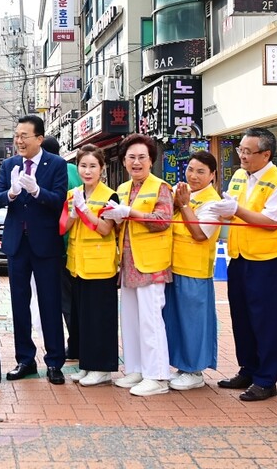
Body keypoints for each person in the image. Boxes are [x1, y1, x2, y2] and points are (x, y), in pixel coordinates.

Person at [215, 126, 277, 401]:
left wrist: (235, 210)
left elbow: (272, 222)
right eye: (240, 150)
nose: (243, 157)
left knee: (265, 321)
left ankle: (266, 379)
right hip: (237, 257)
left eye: (248, 152)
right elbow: (232, 210)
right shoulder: (238, 176)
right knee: (241, 318)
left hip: (265, 261)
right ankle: (247, 369)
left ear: (266, 154)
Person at [0, 114, 68, 385]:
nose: (19, 141)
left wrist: (37, 192)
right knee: (19, 304)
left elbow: (59, 201)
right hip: (17, 243)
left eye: (24, 136)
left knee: (50, 303)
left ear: (39, 138)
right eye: (16, 136)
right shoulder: (10, 164)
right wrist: (11, 193)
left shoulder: (56, 164)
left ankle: (55, 362)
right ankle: (25, 359)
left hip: (45, 244)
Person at [104, 134, 174, 397]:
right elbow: (121, 222)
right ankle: (136, 368)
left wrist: (130, 213)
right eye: (131, 158)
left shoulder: (161, 187)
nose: (136, 162)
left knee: (151, 319)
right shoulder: (122, 189)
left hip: (152, 263)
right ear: (123, 161)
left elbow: (163, 220)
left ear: (151, 160)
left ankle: (157, 376)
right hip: (128, 262)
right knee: (131, 319)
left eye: (142, 157)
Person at [163, 150, 223, 391]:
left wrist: (185, 205)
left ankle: (195, 370)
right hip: (174, 266)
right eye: (190, 170)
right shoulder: (185, 195)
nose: (194, 175)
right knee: (176, 320)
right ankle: (182, 366)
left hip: (195, 271)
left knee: (194, 322)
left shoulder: (213, 202)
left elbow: (200, 234)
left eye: (201, 172)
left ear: (212, 175)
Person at [62, 144, 118, 386]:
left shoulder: (110, 196)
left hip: (101, 265)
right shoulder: (73, 194)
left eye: (93, 166)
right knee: (82, 318)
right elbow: (62, 227)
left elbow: (106, 229)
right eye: (83, 166)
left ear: (102, 168)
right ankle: (87, 364)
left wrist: (85, 212)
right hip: (77, 264)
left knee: (100, 318)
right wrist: (74, 215)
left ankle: (102, 367)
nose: (87, 171)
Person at [43, 135, 82, 360]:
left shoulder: (52, 172)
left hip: (61, 242)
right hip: (81, 244)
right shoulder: (75, 170)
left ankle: (75, 345)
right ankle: (81, 342)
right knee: (79, 299)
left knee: (66, 300)